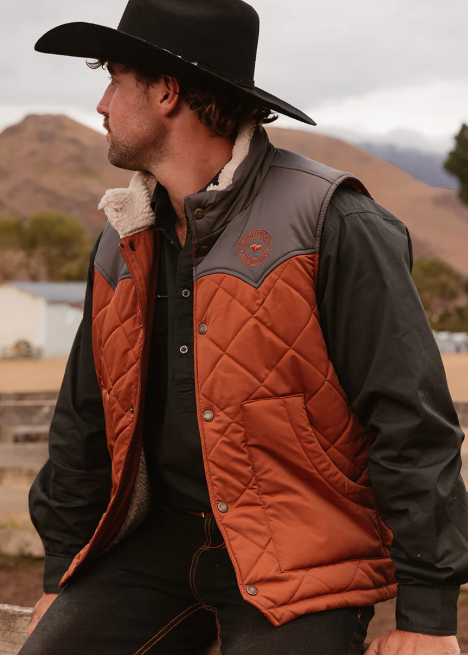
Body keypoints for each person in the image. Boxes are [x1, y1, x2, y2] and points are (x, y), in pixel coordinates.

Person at [22, 0, 468, 653]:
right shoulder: (121, 238)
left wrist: (427, 616)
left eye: (115, 80)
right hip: (154, 545)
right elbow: (84, 420)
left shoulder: (334, 220)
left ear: (168, 92)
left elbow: (411, 420)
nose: (102, 104)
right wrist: (61, 570)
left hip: (302, 548)